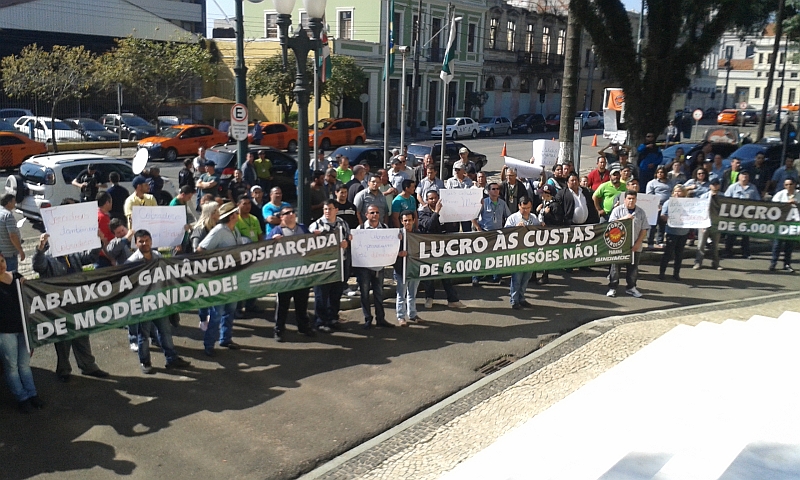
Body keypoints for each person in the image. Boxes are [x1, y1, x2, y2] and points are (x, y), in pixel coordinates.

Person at [32, 229, 109, 382]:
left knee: (82, 334)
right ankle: (63, 370)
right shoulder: (48, 258)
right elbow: (37, 266)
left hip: (77, 303)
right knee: (62, 339)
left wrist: (98, 241)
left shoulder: (72, 255)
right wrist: (39, 249)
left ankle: (88, 366)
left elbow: (90, 257)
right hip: (59, 306)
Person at [125, 230, 192, 373]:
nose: (144, 243)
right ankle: (145, 363)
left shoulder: (158, 256)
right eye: (141, 241)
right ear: (135, 243)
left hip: (159, 301)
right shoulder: (131, 262)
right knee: (143, 335)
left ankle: (171, 359)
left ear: (151, 241)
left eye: (147, 240)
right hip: (143, 305)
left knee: (165, 331)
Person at [0, 253, 44, 413]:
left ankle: (32, 394)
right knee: (11, 366)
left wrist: (28, 285)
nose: (1, 265)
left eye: (2, 260)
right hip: (5, 333)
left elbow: (31, 293)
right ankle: (22, 398)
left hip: (23, 329)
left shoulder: (16, 276)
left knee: (24, 364)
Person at [196, 202, 242, 355]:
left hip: (233, 278)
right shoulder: (219, 231)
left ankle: (225, 338)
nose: (238, 214)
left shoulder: (235, 230)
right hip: (219, 279)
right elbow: (201, 250)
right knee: (217, 313)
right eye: (236, 212)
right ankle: (209, 345)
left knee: (230, 310)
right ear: (232, 216)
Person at [268, 206, 317, 341]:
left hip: (302, 273)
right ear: (281, 217)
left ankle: (304, 327)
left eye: (292, 212)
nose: (291, 214)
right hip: (285, 274)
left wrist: (317, 236)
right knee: (283, 304)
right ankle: (279, 330)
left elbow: (313, 243)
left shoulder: (303, 228)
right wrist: (272, 240)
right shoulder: (277, 231)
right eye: (287, 213)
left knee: (302, 303)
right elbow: (265, 248)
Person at [417, 190, 467, 309]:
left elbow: (452, 228)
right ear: (427, 200)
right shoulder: (423, 213)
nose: (434, 200)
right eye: (431, 198)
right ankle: (429, 298)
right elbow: (429, 225)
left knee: (446, 274)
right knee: (429, 276)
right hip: (429, 248)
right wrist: (436, 212)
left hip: (444, 248)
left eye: (435, 198)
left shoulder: (446, 211)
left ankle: (453, 299)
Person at [309, 200, 352, 332]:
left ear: (336, 210)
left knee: (335, 293)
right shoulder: (316, 225)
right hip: (323, 266)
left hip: (339, 264)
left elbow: (348, 237)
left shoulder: (342, 223)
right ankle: (320, 321)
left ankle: (333, 318)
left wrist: (347, 243)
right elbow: (309, 245)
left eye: (330, 209)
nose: (327, 211)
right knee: (321, 295)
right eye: (325, 209)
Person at [355, 204, 395, 329]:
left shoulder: (385, 228)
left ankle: (380, 319)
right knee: (365, 294)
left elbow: (391, 244)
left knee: (379, 294)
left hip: (379, 267)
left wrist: (397, 238)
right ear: (366, 215)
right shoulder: (360, 229)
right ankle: (368, 319)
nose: (375, 215)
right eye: (372, 212)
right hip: (364, 268)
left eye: (377, 212)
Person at [606, 190, 649, 298]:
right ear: (624, 199)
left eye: (633, 199)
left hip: (635, 245)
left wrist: (638, 243)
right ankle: (613, 287)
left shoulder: (641, 212)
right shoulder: (617, 210)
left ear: (636, 199)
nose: (631, 201)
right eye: (629, 198)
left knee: (633, 268)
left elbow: (644, 229)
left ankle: (631, 287)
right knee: (615, 268)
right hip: (619, 245)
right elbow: (610, 225)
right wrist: (624, 219)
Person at [472, 182, 511, 287]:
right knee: (481, 256)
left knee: (497, 256)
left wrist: (506, 229)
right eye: (493, 189)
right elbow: (473, 217)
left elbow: (509, 217)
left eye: (497, 189)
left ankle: (497, 277)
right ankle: (476, 278)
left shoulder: (502, 203)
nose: (496, 191)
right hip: (485, 233)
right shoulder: (483, 202)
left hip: (498, 233)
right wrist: (478, 228)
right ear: (488, 191)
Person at [505, 197, 540, 309]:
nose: (526, 210)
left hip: (530, 253)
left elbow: (539, 232)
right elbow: (505, 233)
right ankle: (514, 300)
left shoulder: (534, 218)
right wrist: (515, 228)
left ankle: (522, 298)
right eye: (523, 208)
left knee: (526, 278)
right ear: (519, 206)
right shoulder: (512, 218)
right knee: (517, 278)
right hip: (518, 253)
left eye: (528, 208)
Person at [190, 202, 221, 332]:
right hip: (202, 268)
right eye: (217, 211)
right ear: (212, 214)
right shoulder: (200, 229)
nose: (219, 213)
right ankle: (203, 319)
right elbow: (195, 249)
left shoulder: (216, 227)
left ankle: (211, 318)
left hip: (214, 267)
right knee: (204, 295)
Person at [724, 170, 760, 259]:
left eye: (746, 175)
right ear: (739, 177)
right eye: (743, 175)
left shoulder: (753, 188)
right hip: (734, 216)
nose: (744, 177)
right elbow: (725, 200)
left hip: (747, 217)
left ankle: (746, 253)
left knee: (745, 236)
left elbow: (758, 201)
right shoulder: (732, 187)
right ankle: (728, 252)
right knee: (731, 235)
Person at [393, 210, 421, 326]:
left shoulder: (418, 234)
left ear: (414, 221)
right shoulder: (396, 235)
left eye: (409, 220)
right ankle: (401, 316)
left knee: (412, 294)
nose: (407, 223)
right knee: (401, 294)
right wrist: (399, 254)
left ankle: (412, 314)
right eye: (405, 220)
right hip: (401, 270)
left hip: (414, 269)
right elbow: (388, 253)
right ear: (401, 221)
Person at [658, 185, 690, 281]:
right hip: (672, 232)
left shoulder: (689, 203)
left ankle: (676, 274)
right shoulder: (668, 202)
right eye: (675, 191)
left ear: (684, 193)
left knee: (679, 254)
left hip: (684, 232)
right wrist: (667, 217)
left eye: (679, 191)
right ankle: (662, 273)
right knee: (668, 253)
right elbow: (663, 216)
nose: (677, 193)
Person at [769, 178, 799, 272]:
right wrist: (786, 204)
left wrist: (796, 203)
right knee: (777, 244)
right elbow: (773, 207)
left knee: (789, 245)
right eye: (786, 185)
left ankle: (787, 264)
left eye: (790, 184)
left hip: (793, 224)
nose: (788, 186)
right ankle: (773, 263)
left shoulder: (799, 194)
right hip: (781, 224)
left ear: (794, 184)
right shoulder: (780, 194)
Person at [694, 178, 723, 271]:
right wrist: (701, 223)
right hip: (705, 223)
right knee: (701, 245)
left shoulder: (723, 197)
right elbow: (699, 210)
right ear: (710, 186)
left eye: (716, 184)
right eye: (713, 184)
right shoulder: (704, 196)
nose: (715, 186)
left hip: (716, 223)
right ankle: (698, 262)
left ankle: (716, 263)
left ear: (719, 185)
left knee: (715, 245)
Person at [646, 166, 671, 247]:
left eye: (662, 172)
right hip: (656, 206)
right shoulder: (652, 183)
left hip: (667, 207)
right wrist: (656, 204)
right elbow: (649, 195)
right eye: (658, 172)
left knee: (662, 225)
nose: (660, 174)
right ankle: (650, 242)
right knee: (652, 225)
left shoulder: (670, 182)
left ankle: (660, 241)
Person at [0, 194, 25, 272]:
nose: (15, 203)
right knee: (12, 275)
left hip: (1, 251)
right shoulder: (8, 215)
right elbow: (12, 235)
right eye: (14, 201)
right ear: (9, 203)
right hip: (9, 253)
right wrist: (20, 250)